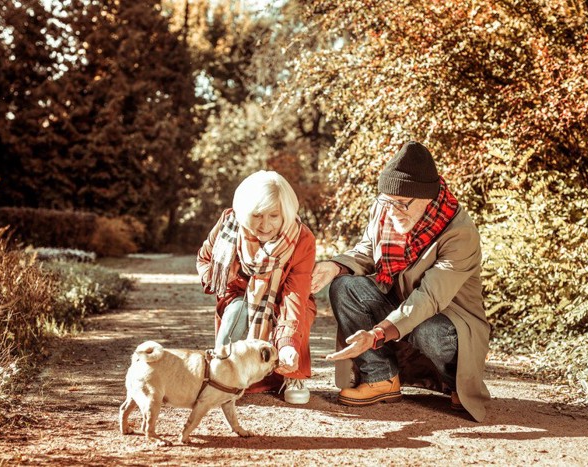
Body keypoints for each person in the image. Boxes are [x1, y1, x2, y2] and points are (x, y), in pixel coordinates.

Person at [311, 141, 491, 422]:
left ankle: (455, 382)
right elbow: (367, 252)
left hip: (446, 322)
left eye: (401, 204)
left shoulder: (460, 233)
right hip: (403, 309)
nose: (392, 211)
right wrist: (334, 266)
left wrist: (377, 333)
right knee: (345, 286)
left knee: (428, 327)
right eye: (386, 201)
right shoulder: (387, 206)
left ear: (427, 198)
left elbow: (429, 298)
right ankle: (381, 378)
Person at [196, 170, 317, 405]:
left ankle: (291, 373)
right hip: (239, 296)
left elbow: (295, 294)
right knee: (236, 312)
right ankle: (221, 374)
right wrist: (222, 274)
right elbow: (204, 259)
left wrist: (288, 344)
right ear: (244, 213)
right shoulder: (229, 225)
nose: (265, 225)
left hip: (285, 299)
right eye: (257, 215)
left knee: (299, 313)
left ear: (286, 213)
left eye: (274, 215)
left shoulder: (302, 239)